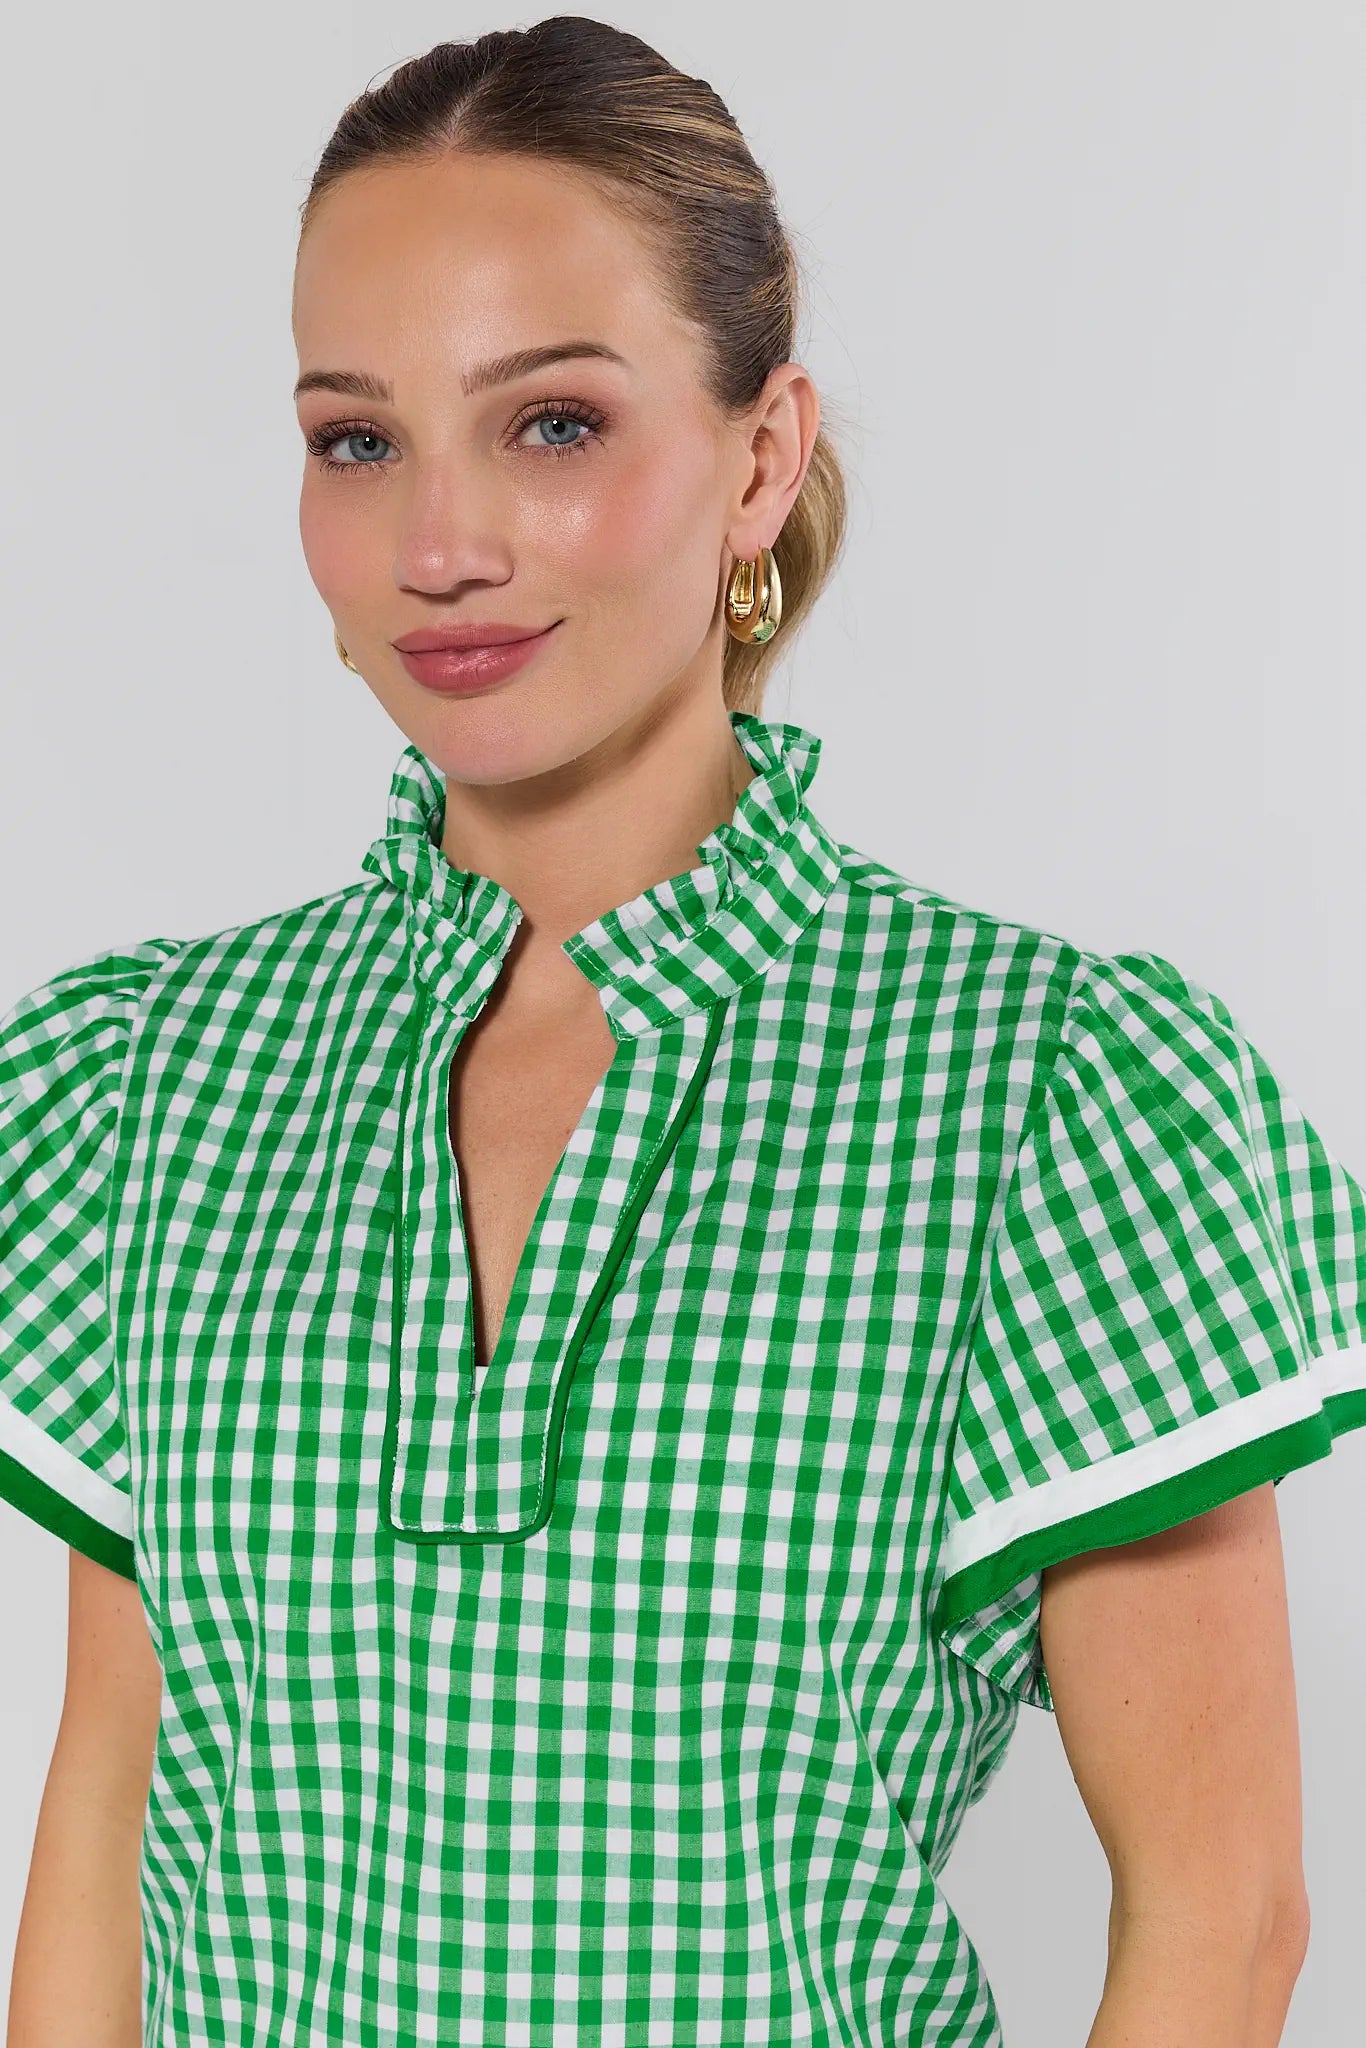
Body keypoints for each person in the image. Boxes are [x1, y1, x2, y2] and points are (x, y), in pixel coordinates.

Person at [3, 18, 1363, 2047]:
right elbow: (105, 1819)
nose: (433, 544)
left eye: (549, 422)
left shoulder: (1036, 1091)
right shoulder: (152, 1081)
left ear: (759, 452)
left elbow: (1215, 1917)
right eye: (353, 437)